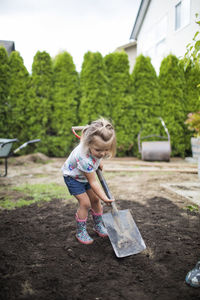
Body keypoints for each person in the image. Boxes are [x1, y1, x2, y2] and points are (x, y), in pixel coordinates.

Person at [62, 118, 116, 245]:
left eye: (106, 150)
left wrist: (98, 161)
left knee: (95, 200)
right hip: (73, 178)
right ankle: (81, 231)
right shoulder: (84, 159)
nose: (102, 153)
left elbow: (88, 138)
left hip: (84, 175)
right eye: (98, 150)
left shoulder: (92, 143)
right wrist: (105, 197)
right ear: (89, 144)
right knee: (85, 203)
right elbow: (93, 182)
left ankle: (98, 225)